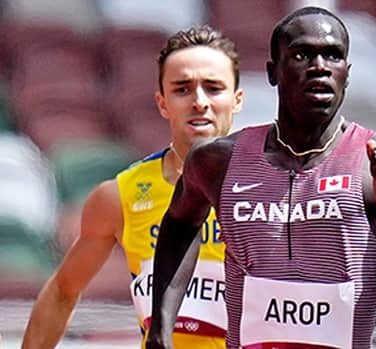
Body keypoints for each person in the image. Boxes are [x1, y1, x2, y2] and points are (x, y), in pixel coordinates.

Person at [146, 6, 376, 349]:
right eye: (302, 54)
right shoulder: (217, 161)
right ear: (274, 71)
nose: (319, 67)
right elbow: (179, 226)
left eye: (333, 55)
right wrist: (160, 330)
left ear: (347, 72)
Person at [21, 25, 244, 349]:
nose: (199, 101)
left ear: (236, 99)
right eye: (182, 89)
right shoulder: (120, 195)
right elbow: (62, 291)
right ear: (162, 102)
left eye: (213, 88)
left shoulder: (272, 187)